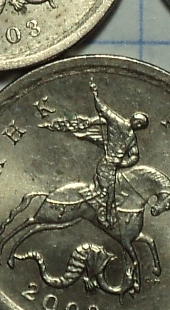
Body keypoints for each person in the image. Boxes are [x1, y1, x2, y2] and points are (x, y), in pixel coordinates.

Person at [41, 82, 149, 228]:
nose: (139, 126)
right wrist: (95, 95)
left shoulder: (131, 138)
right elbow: (103, 110)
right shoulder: (118, 123)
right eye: (139, 122)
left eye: (141, 125)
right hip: (106, 164)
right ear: (134, 119)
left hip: (114, 166)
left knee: (116, 190)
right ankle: (104, 216)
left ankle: (103, 209)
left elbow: (135, 155)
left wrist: (124, 163)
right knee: (109, 192)